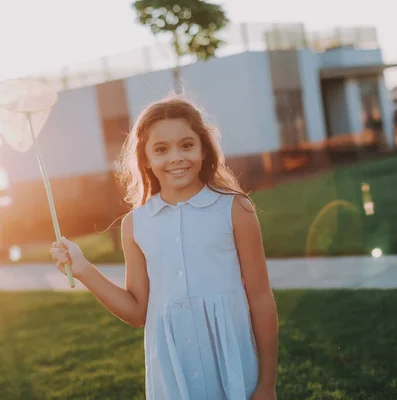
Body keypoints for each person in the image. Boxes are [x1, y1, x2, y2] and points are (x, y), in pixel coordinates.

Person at [51, 95, 278, 399]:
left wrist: (267, 384)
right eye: (161, 149)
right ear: (144, 158)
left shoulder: (235, 208)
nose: (176, 158)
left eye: (186, 145)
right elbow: (137, 313)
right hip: (174, 377)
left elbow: (261, 299)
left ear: (203, 148)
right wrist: (84, 270)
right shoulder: (135, 225)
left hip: (234, 369)